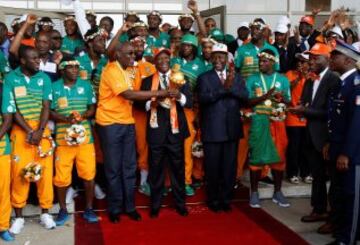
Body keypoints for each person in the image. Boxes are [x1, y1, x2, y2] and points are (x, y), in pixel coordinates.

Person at [95, 42, 169, 223]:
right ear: (118, 54)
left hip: (127, 122)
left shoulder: (128, 70)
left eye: (134, 54)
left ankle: (129, 207)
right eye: (128, 54)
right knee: (113, 169)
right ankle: (114, 208)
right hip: (109, 123)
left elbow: (137, 90)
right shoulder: (111, 69)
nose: (132, 57)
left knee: (129, 168)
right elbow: (129, 94)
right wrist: (161, 93)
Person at [289, 43, 341, 225]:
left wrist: (304, 111)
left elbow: (330, 111)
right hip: (310, 135)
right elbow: (305, 102)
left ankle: (333, 217)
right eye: (310, 58)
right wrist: (301, 108)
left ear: (326, 59)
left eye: (315, 58)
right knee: (317, 176)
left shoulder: (334, 79)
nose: (311, 62)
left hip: (326, 137)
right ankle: (318, 210)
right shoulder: (310, 80)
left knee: (334, 179)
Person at [6, 45, 55, 234]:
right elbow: (12, 109)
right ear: (23, 61)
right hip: (21, 131)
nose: (38, 61)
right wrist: (29, 130)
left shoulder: (44, 78)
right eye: (34, 58)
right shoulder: (11, 78)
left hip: (41, 131)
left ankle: (45, 212)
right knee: (19, 174)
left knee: (45, 173)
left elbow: (46, 106)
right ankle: (18, 217)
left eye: (39, 58)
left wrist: (40, 131)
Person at [141, 48, 192, 217]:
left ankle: (180, 203)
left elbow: (189, 102)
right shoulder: (148, 81)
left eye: (166, 58)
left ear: (169, 60)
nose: (163, 61)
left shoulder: (180, 79)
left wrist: (179, 96)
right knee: (155, 170)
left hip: (175, 131)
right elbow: (140, 105)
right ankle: (155, 205)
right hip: (156, 133)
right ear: (154, 62)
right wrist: (153, 102)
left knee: (178, 169)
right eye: (159, 59)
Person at [197, 43, 248, 212]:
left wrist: (230, 88)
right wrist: (222, 90)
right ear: (211, 59)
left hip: (232, 129)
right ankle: (213, 200)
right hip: (212, 130)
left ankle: (226, 199)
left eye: (221, 56)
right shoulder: (204, 77)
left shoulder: (237, 76)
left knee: (229, 168)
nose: (218, 59)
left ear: (227, 59)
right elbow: (203, 99)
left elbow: (245, 97)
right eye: (215, 56)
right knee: (212, 168)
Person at [51, 57, 98, 226]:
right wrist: (66, 118)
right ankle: (63, 209)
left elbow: (92, 108)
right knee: (61, 178)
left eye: (77, 68)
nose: (75, 71)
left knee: (89, 175)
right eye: (71, 68)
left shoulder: (86, 85)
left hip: (84, 139)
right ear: (62, 70)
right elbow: (49, 111)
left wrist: (82, 116)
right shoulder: (54, 86)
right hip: (63, 140)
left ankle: (89, 209)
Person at [246, 49, 291, 208]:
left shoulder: (283, 79)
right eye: (260, 61)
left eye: (265, 61)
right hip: (259, 120)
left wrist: (281, 97)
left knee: (279, 156)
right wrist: (266, 96)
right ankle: (254, 193)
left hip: (278, 121)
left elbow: (288, 101)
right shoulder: (252, 79)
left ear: (273, 62)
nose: (261, 64)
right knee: (256, 156)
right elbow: (247, 102)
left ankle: (278, 192)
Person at [326, 39, 360, 245]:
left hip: (352, 154)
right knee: (340, 195)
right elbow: (337, 120)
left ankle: (349, 239)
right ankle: (341, 236)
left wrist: (346, 153)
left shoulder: (356, 85)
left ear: (348, 60)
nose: (331, 58)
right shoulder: (342, 83)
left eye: (335, 55)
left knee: (352, 197)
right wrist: (331, 143)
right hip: (339, 149)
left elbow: (357, 124)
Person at [171, 33, 206, 196]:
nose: (185, 47)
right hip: (169, 108)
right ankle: (169, 181)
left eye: (189, 45)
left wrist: (199, 114)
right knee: (170, 148)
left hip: (189, 110)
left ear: (194, 48)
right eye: (183, 45)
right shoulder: (173, 61)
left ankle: (186, 182)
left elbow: (201, 91)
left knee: (186, 148)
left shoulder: (201, 65)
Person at [285, 53, 311, 184]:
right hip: (292, 116)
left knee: (306, 147)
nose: (300, 63)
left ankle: (306, 173)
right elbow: (286, 90)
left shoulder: (313, 76)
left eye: (303, 61)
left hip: (307, 117)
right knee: (293, 147)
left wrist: (307, 77)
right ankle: (292, 173)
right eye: (299, 61)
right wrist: (298, 78)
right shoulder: (290, 74)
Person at [0, 55, 16, 242]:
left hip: (2, 148)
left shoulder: (2, 89)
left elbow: (8, 120)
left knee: (3, 189)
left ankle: (3, 225)